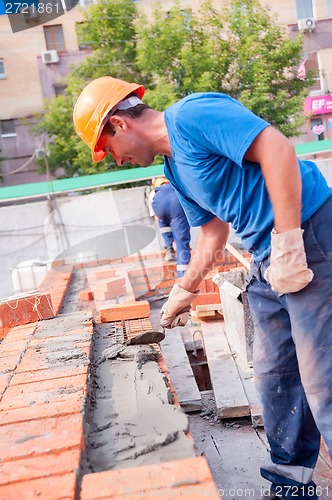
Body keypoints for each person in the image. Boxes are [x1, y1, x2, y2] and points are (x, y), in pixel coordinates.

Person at [73, 76, 332, 499]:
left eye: (107, 150)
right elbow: (211, 234)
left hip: (309, 233)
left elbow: (278, 150)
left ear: (119, 124)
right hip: (268, 256)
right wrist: (184, 290)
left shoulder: (192, 115)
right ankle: (292, 486)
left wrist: (287, 240)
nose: (114, 160)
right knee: (275, 376)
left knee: (323, 381)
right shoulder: (173, 168)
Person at [148, 176, 191, 276]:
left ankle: (169, 248)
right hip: (176, 202)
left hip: (160, 208)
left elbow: (156, 217)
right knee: (181, 243)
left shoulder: (153, 193)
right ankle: (183, 274)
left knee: (162, 222)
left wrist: (169, 237)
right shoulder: (176, 186)